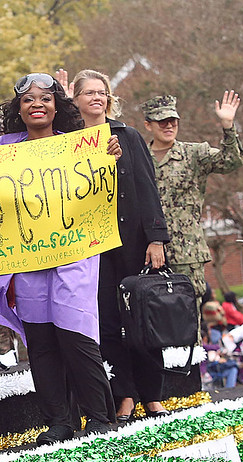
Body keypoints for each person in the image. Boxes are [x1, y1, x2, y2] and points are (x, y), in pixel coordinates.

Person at [0, 73, 119, 444]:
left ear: (57, 106)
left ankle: (99, 417)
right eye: (28, 100)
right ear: (19, 109)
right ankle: (60, 421)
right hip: (28, 257)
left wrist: (107, 159)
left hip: (73, 254)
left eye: (45, 98)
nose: (37, 105)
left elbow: (99, 192)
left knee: (75, 334)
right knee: (41, 341)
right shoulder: (3, 146)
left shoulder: (80, 147)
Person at [57, 68, 172, 422]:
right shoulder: (65, 140)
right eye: (88, 93)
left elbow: (147, 188)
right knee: (106, 321)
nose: (96, 98)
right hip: (90, 246)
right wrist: (59, 104)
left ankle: (152, 395)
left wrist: (156, 238)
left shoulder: (129, 135)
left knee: (140, 317)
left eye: (101, 92)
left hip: (132, 241)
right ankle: (125, 394)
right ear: (76, 100)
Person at [141, 93, 243, 317]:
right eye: (162, 121)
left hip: (186, 252)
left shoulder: (194, 153)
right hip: (147, 251)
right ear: (148, 125)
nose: (169, 125)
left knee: (189, 319)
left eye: (173, 121)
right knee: (152, 316)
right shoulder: (140, 157)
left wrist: (228, 126)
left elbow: (232, 161)